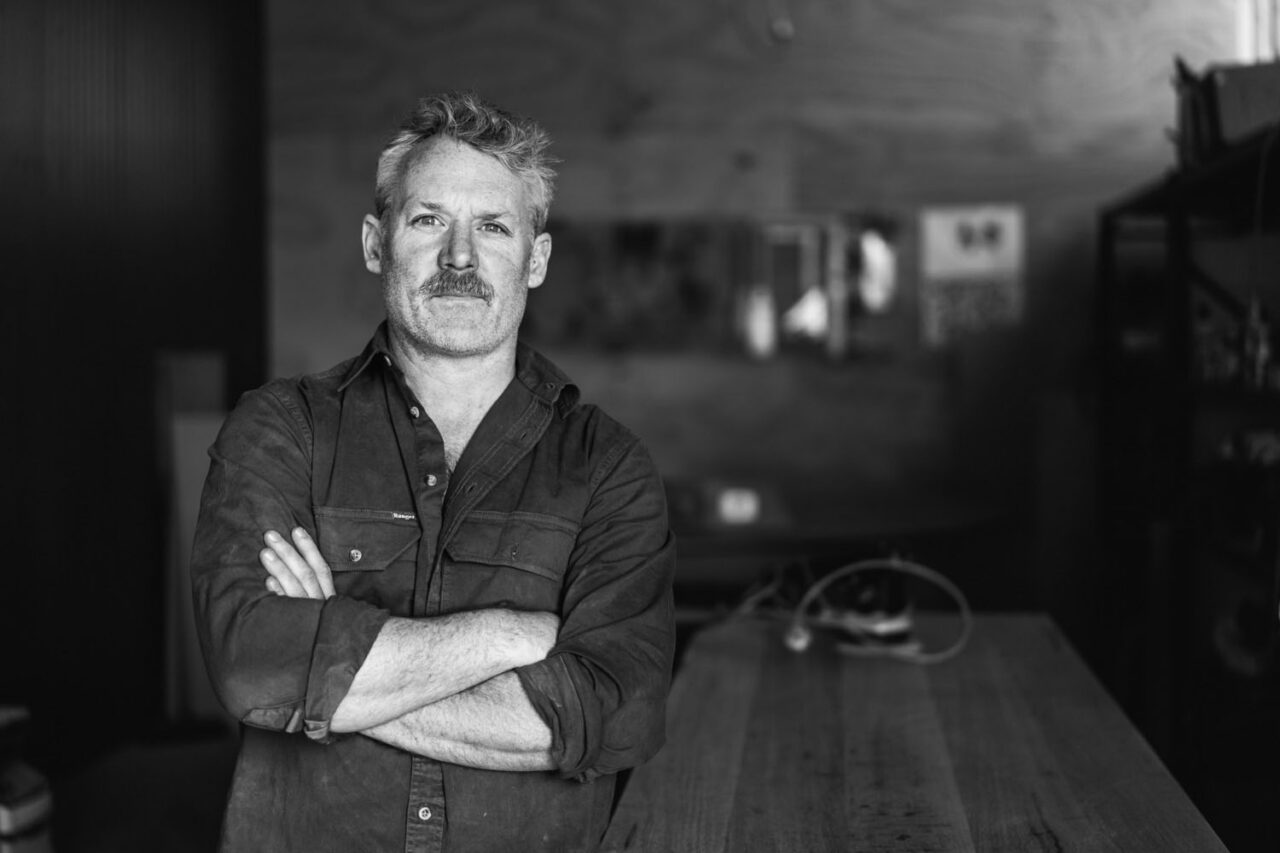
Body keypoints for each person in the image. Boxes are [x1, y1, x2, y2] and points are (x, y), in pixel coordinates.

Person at [190, 91, 676, 853]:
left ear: (536, 258)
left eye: (492, 226)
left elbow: (610, 710)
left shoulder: (607, 469)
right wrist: (514, 635)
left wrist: (325, 664)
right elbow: (251, 664)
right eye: (428, 220)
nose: (460, 257)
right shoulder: (281, 429)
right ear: (375, 243)